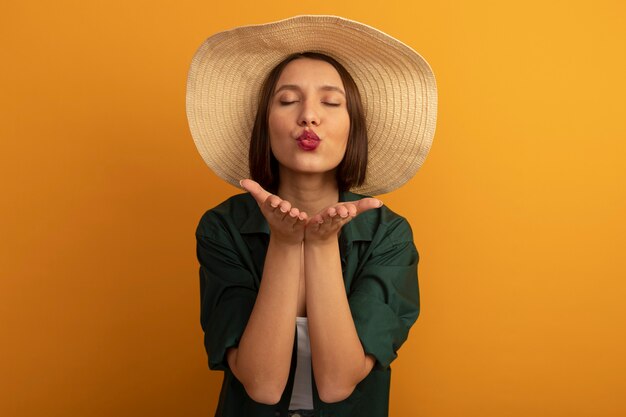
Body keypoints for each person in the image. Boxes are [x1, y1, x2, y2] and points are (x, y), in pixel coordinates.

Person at [186, 15, 437, 417]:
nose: (309, 116)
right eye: (287, 100)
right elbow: (262, 387)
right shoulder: (223, 228)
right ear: (264, 126)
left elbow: (338, 382)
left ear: (353, 127)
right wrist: (286, 243)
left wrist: (319, 244)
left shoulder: (388, 236)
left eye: (331, 102)